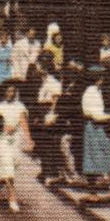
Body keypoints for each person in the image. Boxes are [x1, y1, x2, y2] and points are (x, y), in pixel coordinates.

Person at [0, 82, 29, 213]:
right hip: (3, 141)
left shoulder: (19, 106)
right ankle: (13, 199)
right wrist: (3, 127)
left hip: (15, 141)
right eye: (9, 91)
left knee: (9, 169)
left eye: (13, 91)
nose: (11, 93)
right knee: (8, 168)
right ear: (4, 91)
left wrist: (29, 139)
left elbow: (23, 122)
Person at [78, 65, 110, 194]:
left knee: (94, 157)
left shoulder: (95, 91)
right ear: (99, 78)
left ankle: (94, 191)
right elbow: (97, 116)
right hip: (94, 127)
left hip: (93, 126)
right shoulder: (92, 93)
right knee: (105, 156)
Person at [33, 55, 65, 186]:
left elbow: (55, 101)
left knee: (50, 144)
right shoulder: (44, 81)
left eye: (39, 65)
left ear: (45, 67)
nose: (36, 68)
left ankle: (52, 173)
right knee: (42, 144)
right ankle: (45, 170)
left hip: (48, 114)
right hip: (42, 112)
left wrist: (51, 114)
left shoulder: (53, 82)